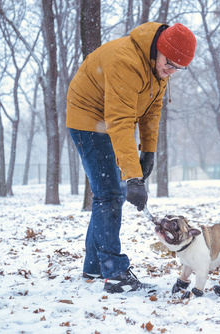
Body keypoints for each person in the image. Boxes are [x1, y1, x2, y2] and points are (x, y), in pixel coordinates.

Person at [66, 22, 197, 293]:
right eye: (169, 64)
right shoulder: (126, 62)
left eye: (177, 68)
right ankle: (114, 274)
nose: (171, 71)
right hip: (89, 118)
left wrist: (148, 152)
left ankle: (95, 266)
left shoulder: (158, 68)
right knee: (110, 193)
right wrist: (133, 177)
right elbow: (121, 122)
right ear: (160, 50)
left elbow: (151, 112)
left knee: (108, 193)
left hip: (109, 118)